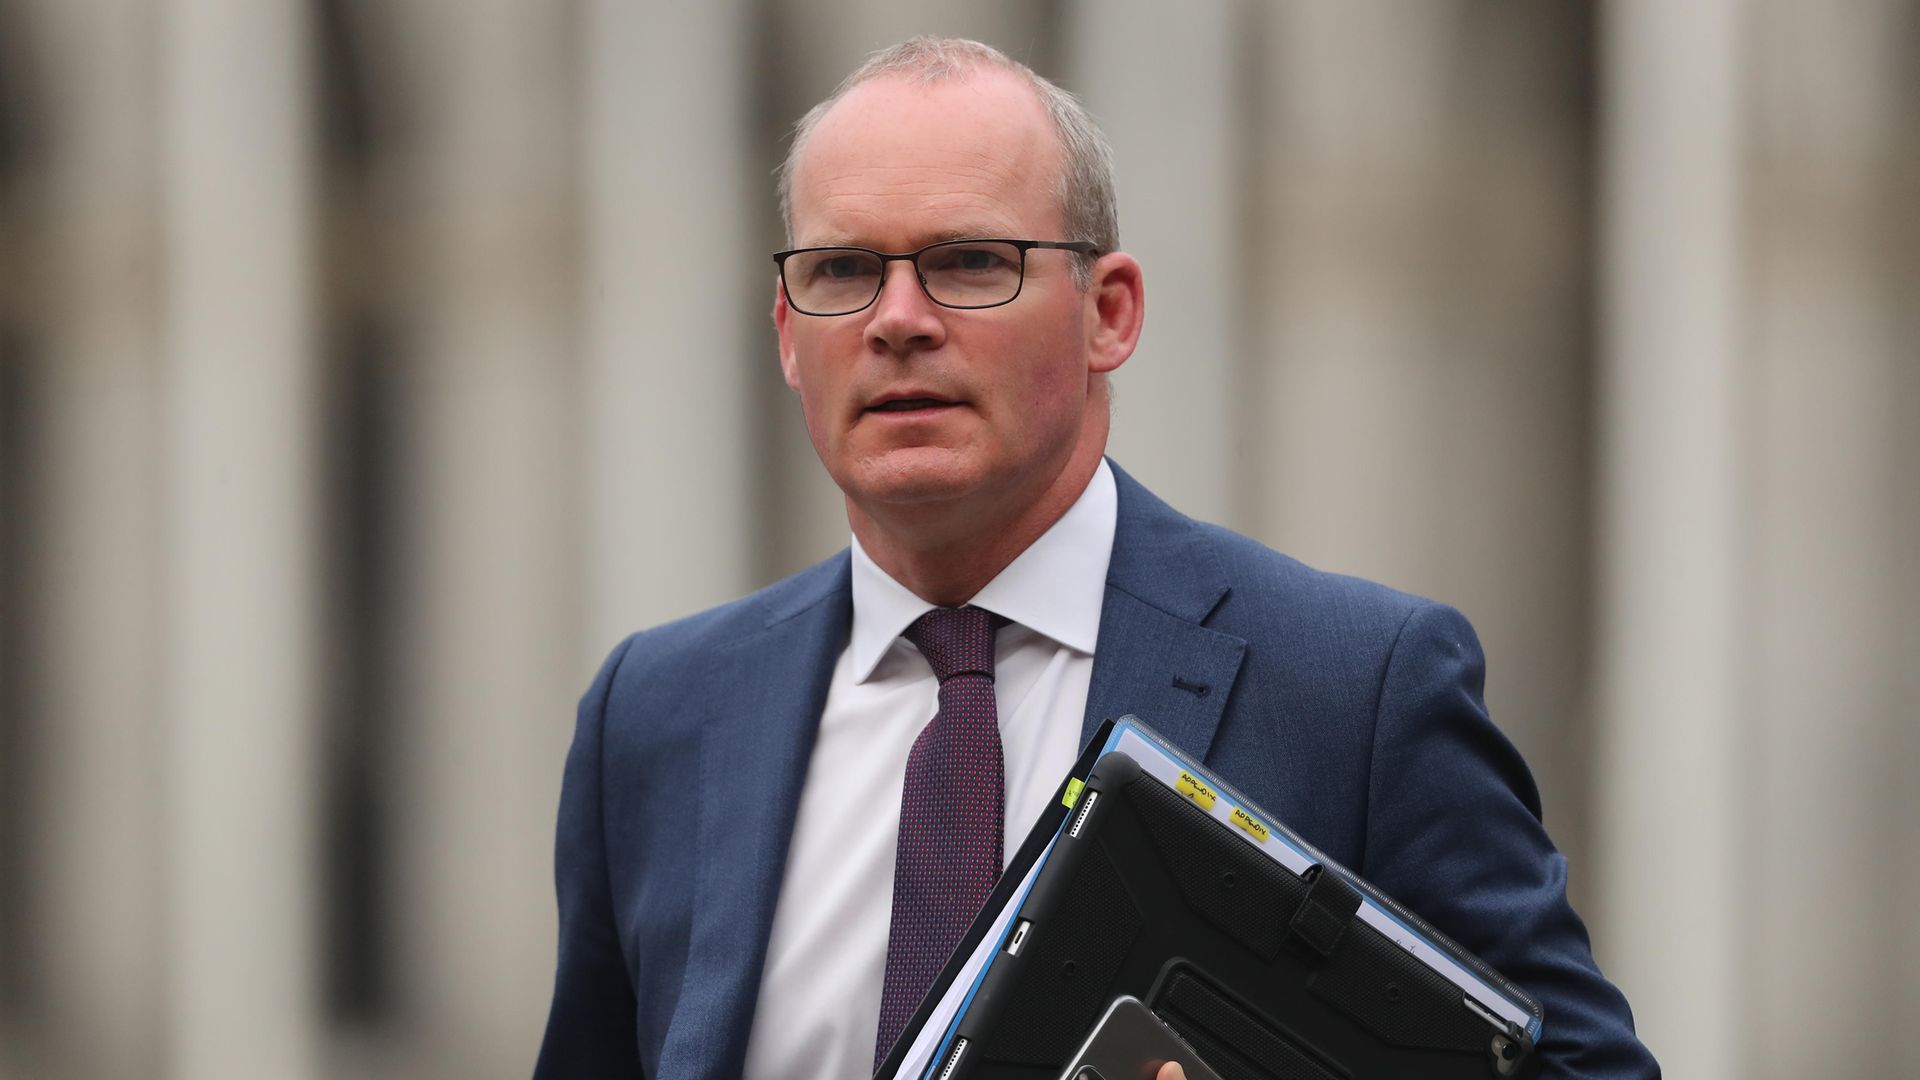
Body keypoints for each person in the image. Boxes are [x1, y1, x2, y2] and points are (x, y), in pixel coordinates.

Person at [534, 36, 1658, 1080]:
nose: (898, 320)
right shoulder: (660, 714)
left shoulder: (1355, 687)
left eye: (971, 262)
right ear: (788, 333)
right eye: (842, 273)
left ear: (1109, 312)